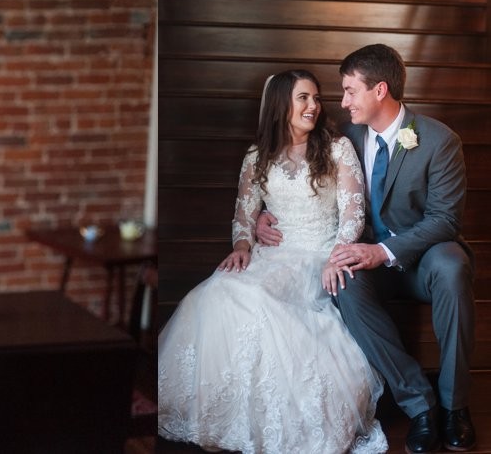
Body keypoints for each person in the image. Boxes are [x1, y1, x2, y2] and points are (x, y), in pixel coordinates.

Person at [257, 44, 475, 453]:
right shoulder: (345, 136)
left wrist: (384, 252)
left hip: (425, 257)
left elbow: (445, 220)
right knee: (344, 283)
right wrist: (262, 215)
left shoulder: (439, 140)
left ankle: (455, 406)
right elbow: (297, 177)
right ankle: (419, 404)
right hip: (367, 258)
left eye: (349, 91)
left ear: (380, 90)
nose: (342, 102)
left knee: (453, 266)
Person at [158, 69, 387, 453]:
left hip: (316, 256)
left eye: (315, 98)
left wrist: (337, 256)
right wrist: (243, 244)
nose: (313, 105)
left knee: (260, 302)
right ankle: (232, 411)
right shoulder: (257, 155)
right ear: (281, 104)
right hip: (272, 254)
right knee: (216, 292)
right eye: (303, 98)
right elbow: (244, 214)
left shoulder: (337, 148)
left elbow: (353, 214)